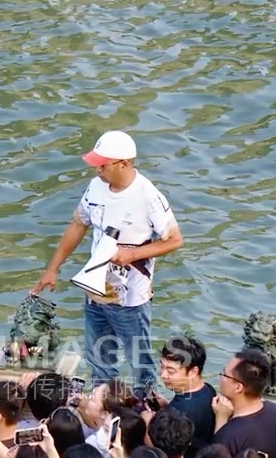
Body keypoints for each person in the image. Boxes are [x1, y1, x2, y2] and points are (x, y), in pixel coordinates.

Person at [28, 130, 179, 386]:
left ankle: (143, 407)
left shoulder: (148, 196)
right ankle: (103, 403)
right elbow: (78, 224)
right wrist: (52, 269)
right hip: (94, 289)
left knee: (139, 361)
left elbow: (174, 240)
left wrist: (132, 254)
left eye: (103, 165)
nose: (98, 170)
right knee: (98, 357)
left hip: (130, 298)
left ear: (124, 164)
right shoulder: (95, 187)